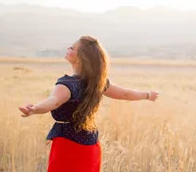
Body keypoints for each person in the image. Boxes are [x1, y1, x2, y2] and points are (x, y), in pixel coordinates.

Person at [18, 35, 159, 172]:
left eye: (72, 48)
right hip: (91, 144)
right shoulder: (97, 82)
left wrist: (35, 109)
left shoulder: (67, 84)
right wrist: (147, 95)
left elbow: (53, 102)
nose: (68, 48)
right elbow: (125, 94)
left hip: (68, 146)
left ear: (80, 58)